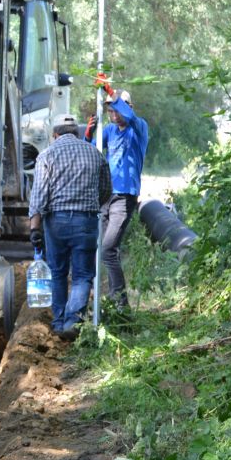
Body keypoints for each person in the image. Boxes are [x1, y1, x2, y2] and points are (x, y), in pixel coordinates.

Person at [27, 113, 112, 338]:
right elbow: (106, 190)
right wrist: (90, 205)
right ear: (76, 132)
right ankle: (73, 321)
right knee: (82, 275)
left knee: (58, 272)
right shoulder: (94, 153)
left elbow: (39, 195)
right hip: (86, 221)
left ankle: (58, 323)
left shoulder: (47, 155)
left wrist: (34, 228)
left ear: (55, 135)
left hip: (56, 222)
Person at [96, 89, 148, 311]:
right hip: (106, 195)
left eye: (117, 110)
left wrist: (112, 93)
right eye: (110, 111)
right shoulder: (109, 131)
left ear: (128, 107)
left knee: (108, 249)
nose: (114, 115)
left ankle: (121, 304)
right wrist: (89, 133)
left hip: (125, 196)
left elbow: (130, 117)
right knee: (106, 250)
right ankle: (112, 299)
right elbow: (93, 149)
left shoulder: (138, 128)